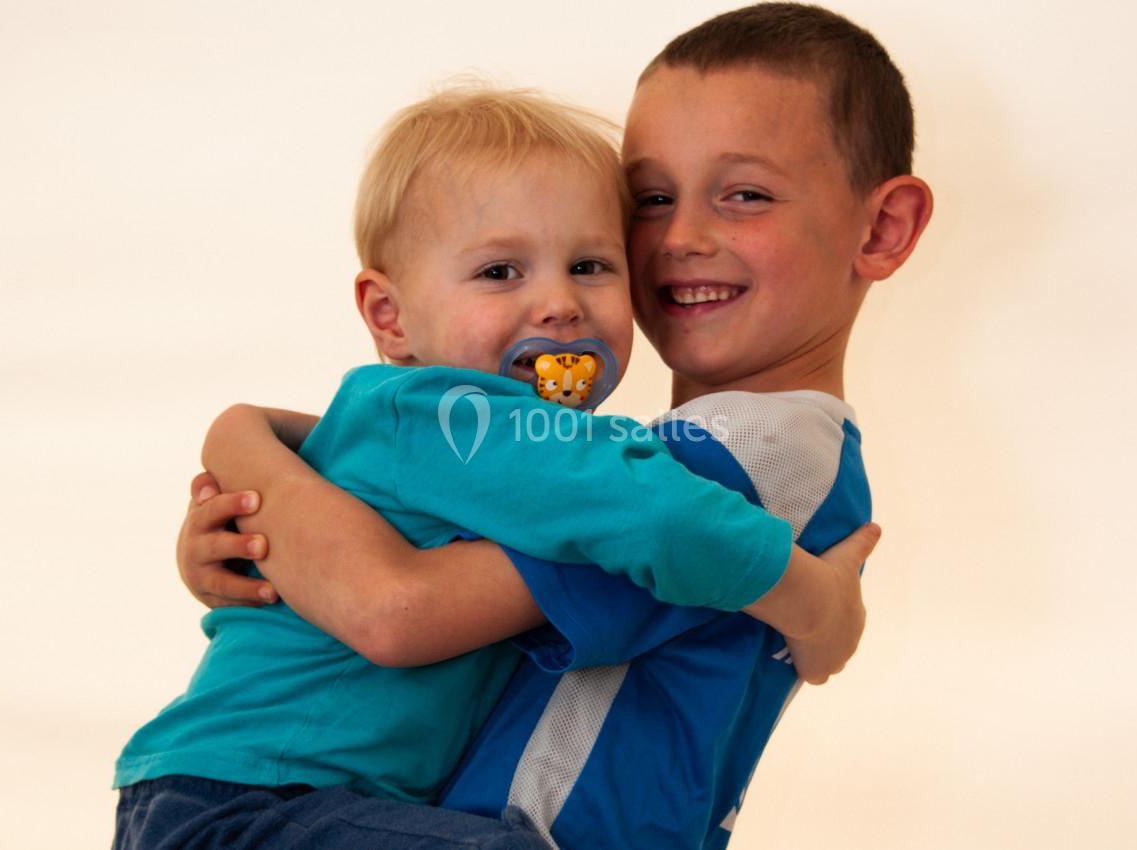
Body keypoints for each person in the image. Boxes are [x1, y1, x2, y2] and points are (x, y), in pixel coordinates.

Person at [115, 81, 874, 850]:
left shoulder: (442, 435)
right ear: (391, 316)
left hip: (271, 802)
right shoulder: (471, 413)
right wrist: (816, 600)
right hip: (249, 804)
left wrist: (244, 443)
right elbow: (655, 512)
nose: (558, 305)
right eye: (500, 273)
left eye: (588, 265)